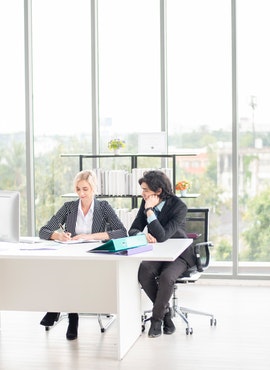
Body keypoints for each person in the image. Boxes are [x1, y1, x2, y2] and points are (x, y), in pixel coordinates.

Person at [39, 169, 127, 340]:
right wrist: (59, 236)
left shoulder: (103, 207)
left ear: (93, 188)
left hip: (95, 257)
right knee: (66, 271)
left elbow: (122, 232)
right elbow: (44, 231)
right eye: (78, 189)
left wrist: (91, 236)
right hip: (72, 256)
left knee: (70, 273)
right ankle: (72, 316)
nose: (81, 193)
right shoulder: (69, 207)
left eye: (85, 189)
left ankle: (58, 311)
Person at [128, 170, 196, 338]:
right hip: (158, 253)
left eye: (145, 190)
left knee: (167, 277)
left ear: (158, 191)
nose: (142, 193)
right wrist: (141, 235)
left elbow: (162, 236)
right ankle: (166, 313)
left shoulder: (179, 206)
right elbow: (133, 229)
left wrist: (150, 212)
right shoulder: (145, 203)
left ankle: (156, 320)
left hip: (179, 254)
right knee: (144, 271)